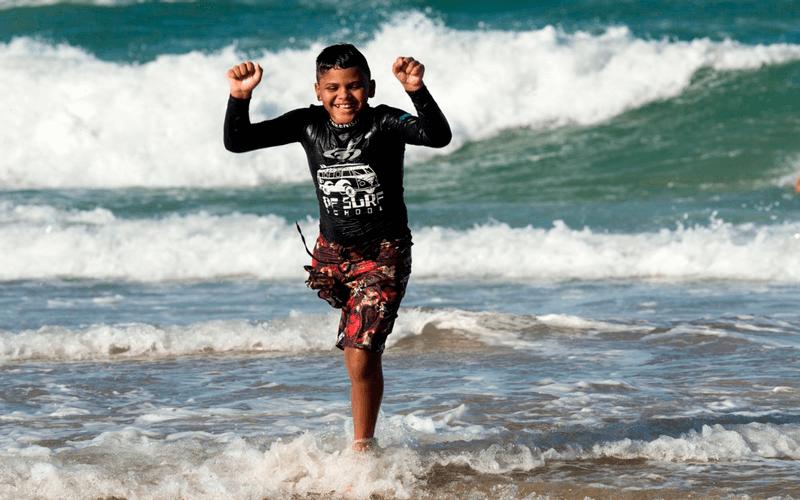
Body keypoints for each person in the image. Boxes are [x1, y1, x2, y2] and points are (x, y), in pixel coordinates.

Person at [224, 44, 451, 452]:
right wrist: (240, 97)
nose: (344, 95)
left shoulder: (384, 121)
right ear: (317, 90)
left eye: (355, 86)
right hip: (331, 256)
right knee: (355, 351)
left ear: (370, 87)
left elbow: (437, 136)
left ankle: (362, 449)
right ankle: (364, 435)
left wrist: (416, 90)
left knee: (361, 351)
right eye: (333, 87)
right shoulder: (307, 124)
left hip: (384, 254)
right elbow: (238, 141)